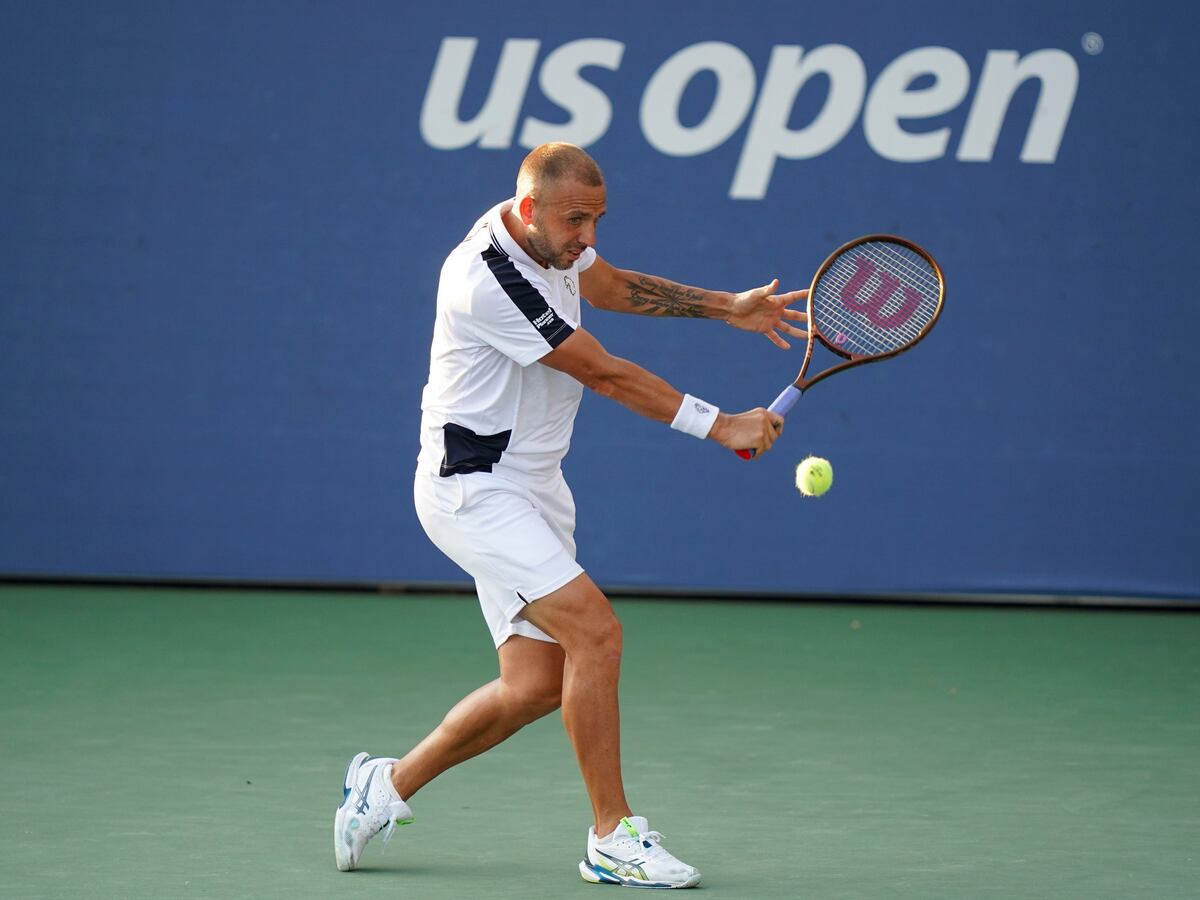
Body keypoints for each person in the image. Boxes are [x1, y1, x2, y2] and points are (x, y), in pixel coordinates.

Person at [334, 142, 808, 889]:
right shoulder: (484, 278)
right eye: (576, 220)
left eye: (598, 219)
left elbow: (614, 285)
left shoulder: (558, 243)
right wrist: (723, 425)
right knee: (598, 631)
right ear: (530, 211)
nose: (589, 237)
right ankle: (612, 836)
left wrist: (729, 308)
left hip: (534, 487)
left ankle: (384, 785)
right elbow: (604, 372)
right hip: (473, 488)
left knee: (533, 686)